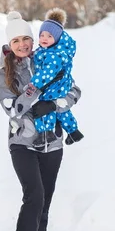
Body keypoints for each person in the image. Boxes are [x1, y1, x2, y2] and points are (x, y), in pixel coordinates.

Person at [0, 11, 82, 231]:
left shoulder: (50, 61)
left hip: (52, 142)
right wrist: (36, 97)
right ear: (10, 45)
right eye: (17, 40)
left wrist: (54, 105)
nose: (23, 45)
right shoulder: (4, 74)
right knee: (33, 196)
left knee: (45, 199)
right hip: (23, 142)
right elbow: (13, 109)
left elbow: (75, 91)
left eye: (26, 39)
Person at [31, 8, 84, 148]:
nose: (44, 39)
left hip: (53, 86)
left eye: (49, 36)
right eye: (42, 35)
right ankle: (73, 131)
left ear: (57, 38)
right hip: (60, 86)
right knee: (61, 110)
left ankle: (45, 134)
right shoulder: (52, 49)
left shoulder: (54, 55)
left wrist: (35, 83)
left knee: (44, 107)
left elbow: (48, 72)